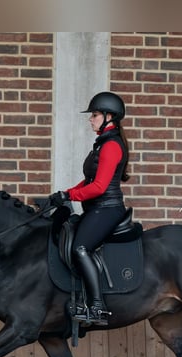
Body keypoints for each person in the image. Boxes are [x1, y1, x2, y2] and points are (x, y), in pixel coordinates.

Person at [49, 91, 130, 326]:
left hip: (107, 208)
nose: (90, 119)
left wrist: (71, 195)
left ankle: (97, 307)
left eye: (94, 114)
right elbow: (88, 181)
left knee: (80, 248)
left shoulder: (111, 146)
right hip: (97, 208)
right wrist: (64, 193)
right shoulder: (102, 143)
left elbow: (99, 187)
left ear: (109, 116)